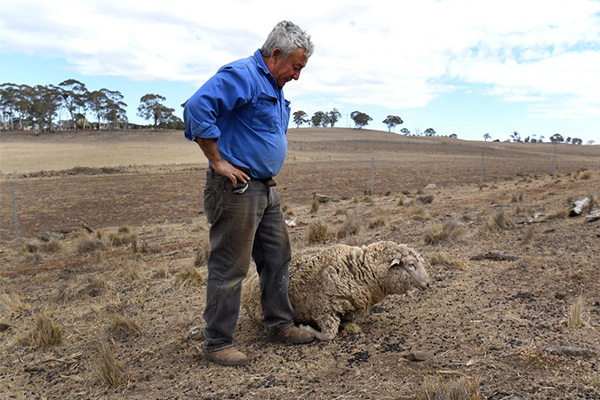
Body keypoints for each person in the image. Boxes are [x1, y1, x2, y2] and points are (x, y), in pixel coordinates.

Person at [183, 21, 315, 367]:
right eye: (296, 67)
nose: (297, 76)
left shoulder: (272, 85)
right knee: (230, 266)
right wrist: (218, 162)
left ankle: (280, 325)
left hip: (264, 188)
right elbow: (197, 107)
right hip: (236, 188)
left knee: (277, 257)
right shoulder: (243, 74)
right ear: (275, 55)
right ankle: (217, 342)